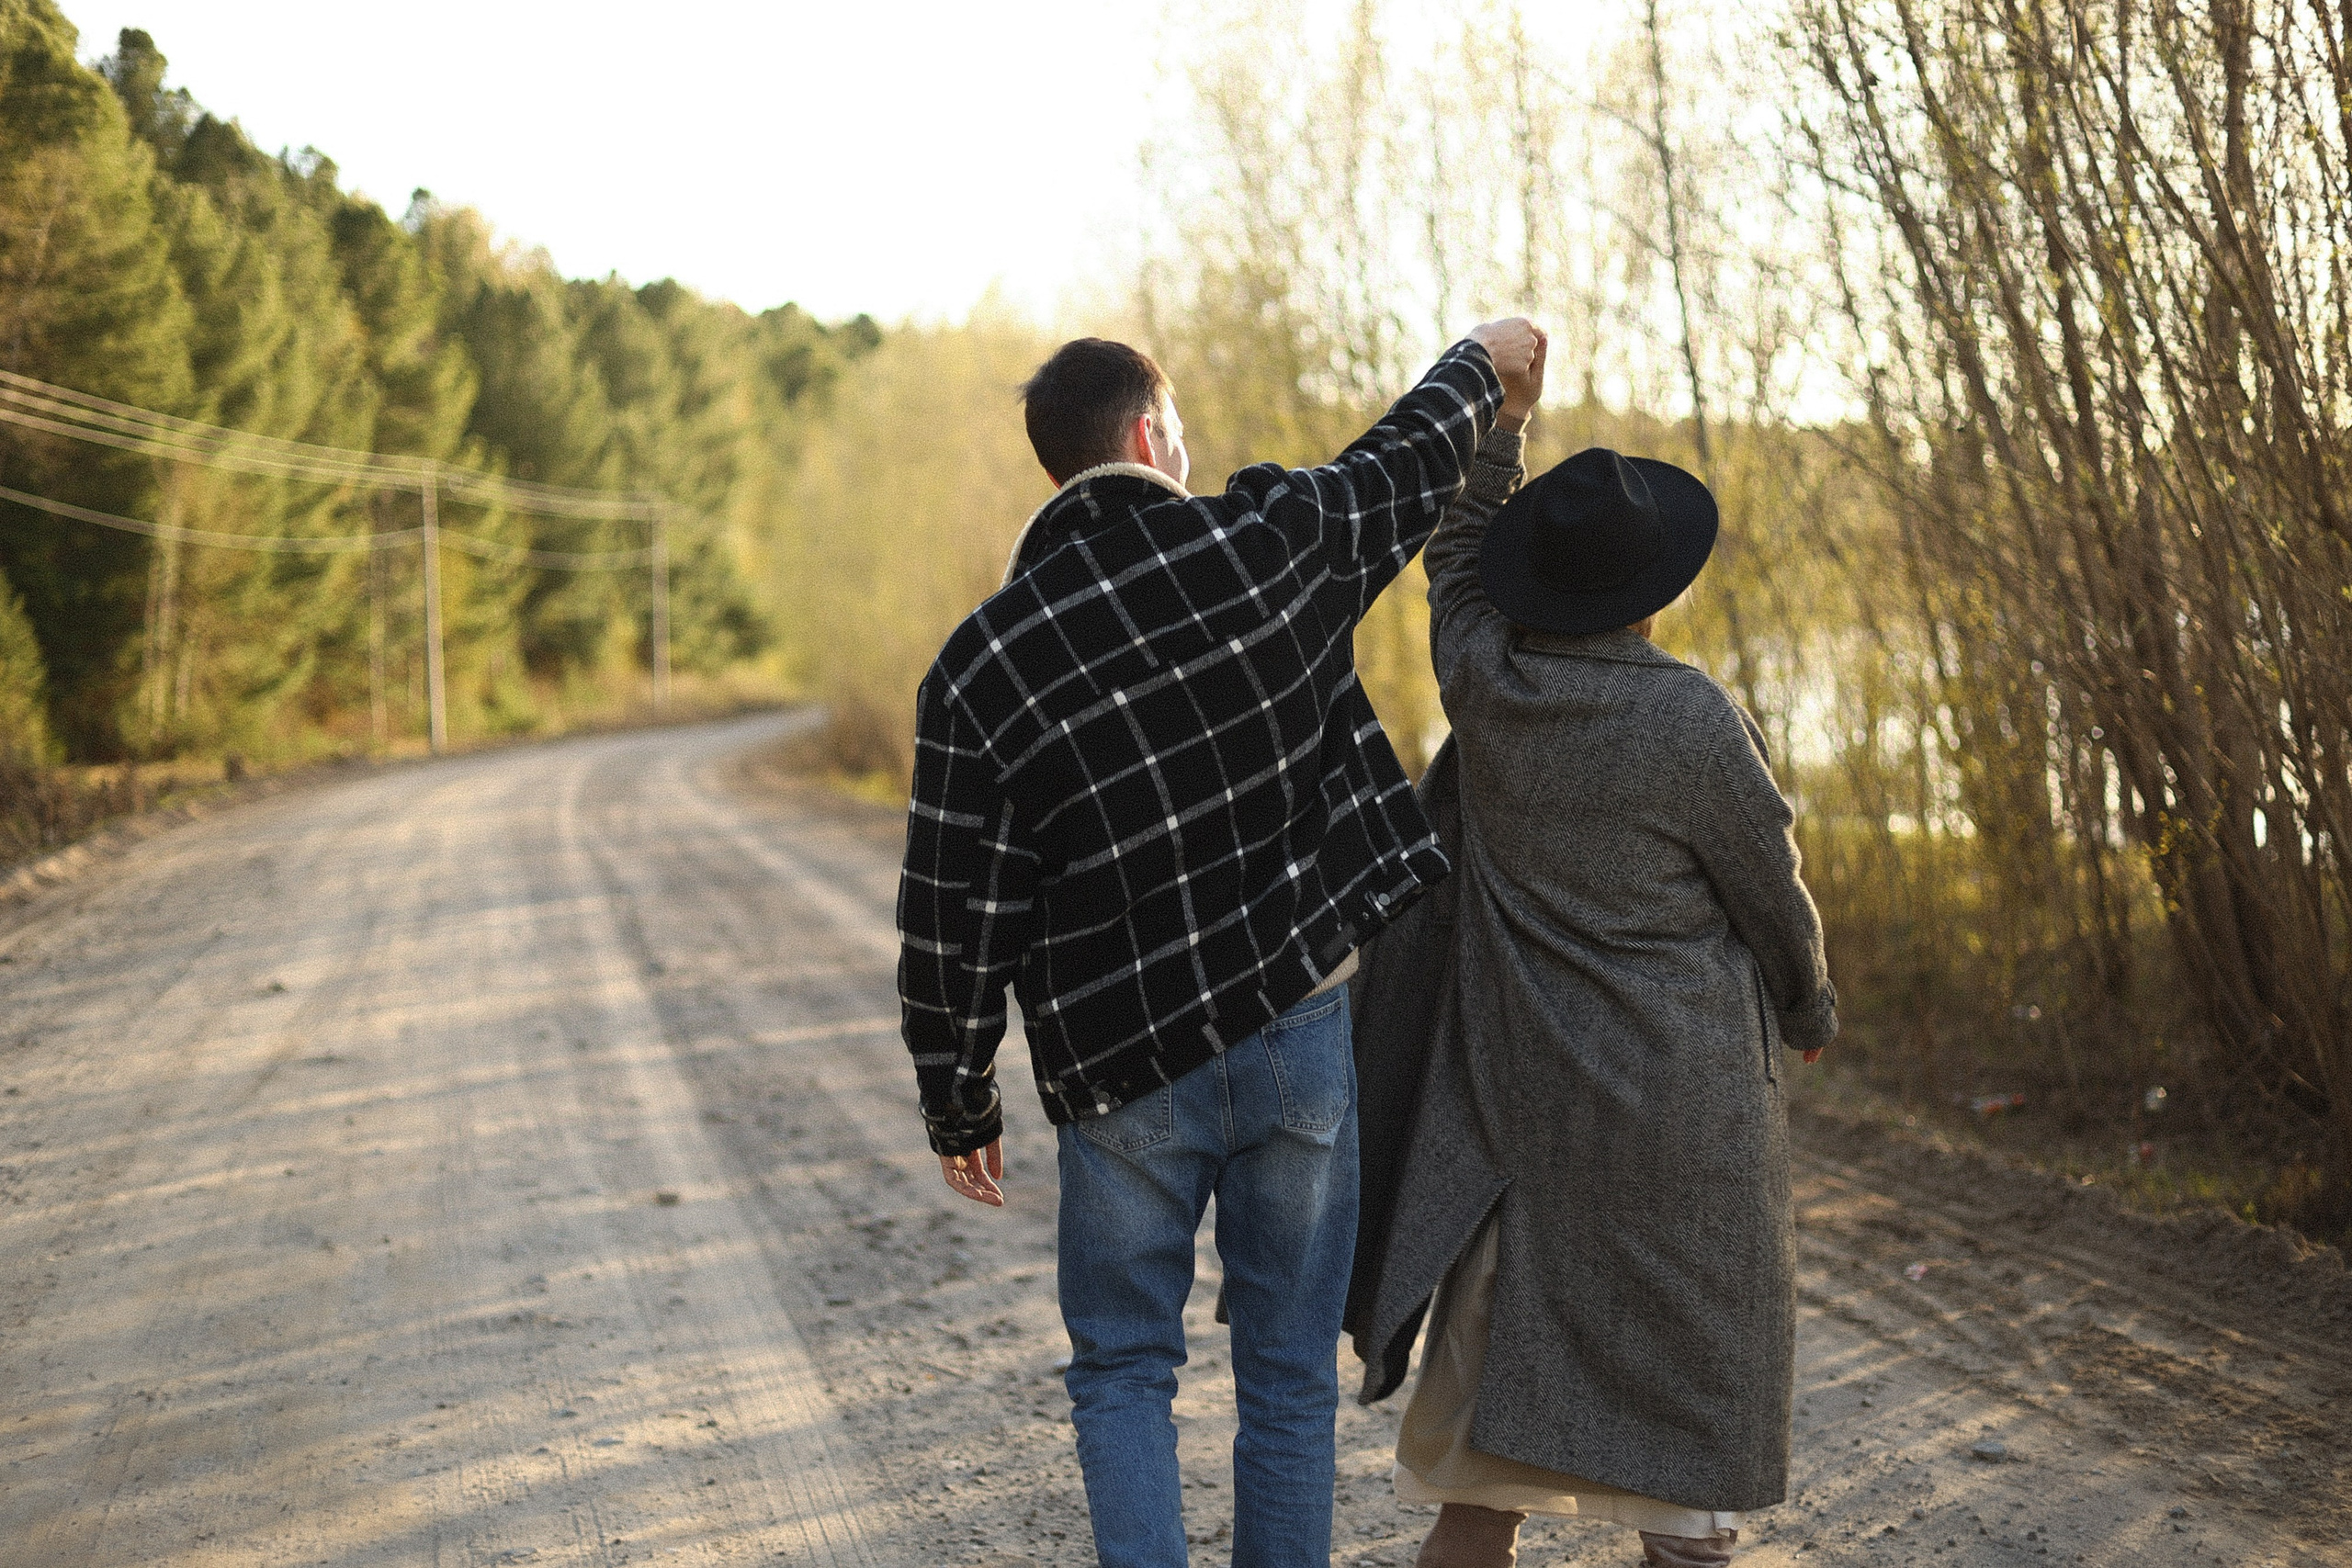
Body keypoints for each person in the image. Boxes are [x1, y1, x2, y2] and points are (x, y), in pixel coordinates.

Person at [896, 320, 1546, 1567]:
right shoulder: (1265, 544)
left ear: (1060, 470)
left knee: (1126, 1371)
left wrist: (957, 1096)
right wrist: (1482, 361)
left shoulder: (981, 669)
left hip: (1119, 1073)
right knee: (1287, 1376)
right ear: (1151, 436)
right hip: (1297, 1037)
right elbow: (1402, 464)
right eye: (1178, 428)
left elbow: (951, 913)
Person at [1345, 358, 1838, 1568]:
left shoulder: (1490, 687)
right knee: (1687, 1488)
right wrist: (1808, 999)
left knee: (1483, 1476)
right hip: (1685, 1130)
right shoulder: (1692, 720)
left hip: (1524, 1123)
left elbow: (1452, 564)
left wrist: (1498, 424)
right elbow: (1771, 895)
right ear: (1652, 593)